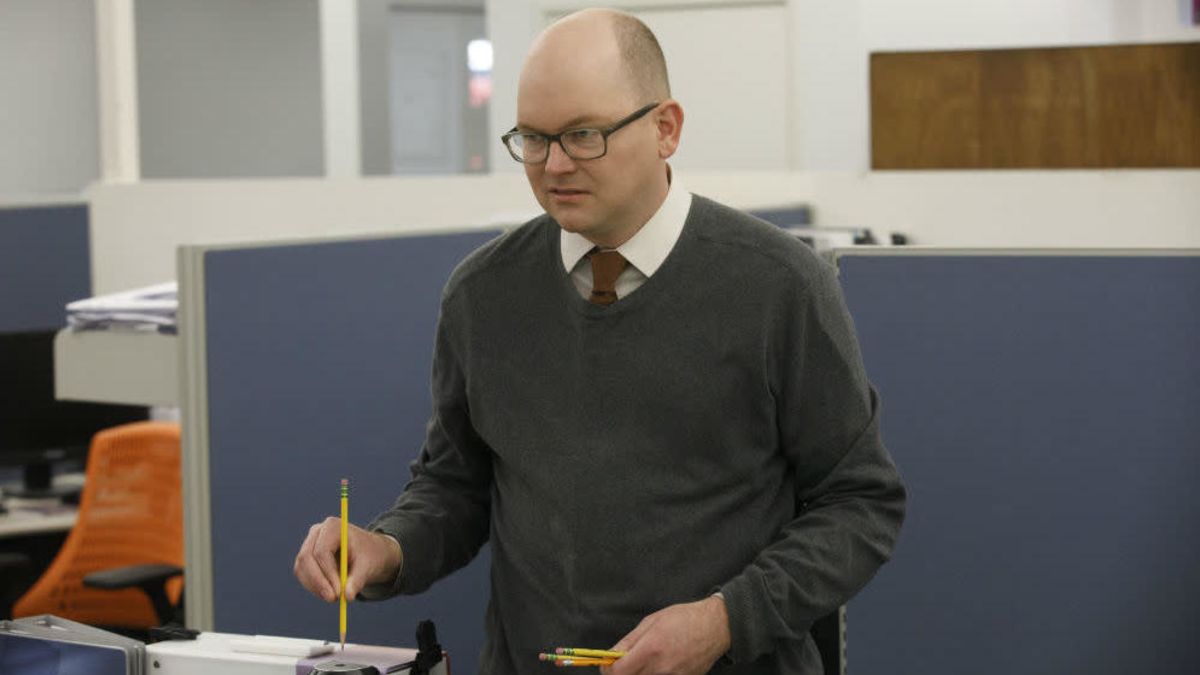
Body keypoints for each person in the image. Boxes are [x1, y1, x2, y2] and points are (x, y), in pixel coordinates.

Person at [294, 8, 905, 675]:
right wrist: (387, 547)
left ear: (665, 128)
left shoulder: (779, 286)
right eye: (533, 137)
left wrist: (726, 619)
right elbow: (456, 485)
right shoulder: (483, 293)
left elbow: (859, 503)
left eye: (583, 134)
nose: (554, 164)